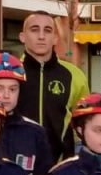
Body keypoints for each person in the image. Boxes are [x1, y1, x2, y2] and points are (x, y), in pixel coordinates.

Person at [16, 12, 88, 164]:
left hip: (60, 167)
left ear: (55, 38)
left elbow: (84, 123)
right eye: (34, 30)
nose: (41, 36)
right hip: (15, 167)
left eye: (47, 30)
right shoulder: (11, 73)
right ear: (22, 37)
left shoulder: (75, 75)